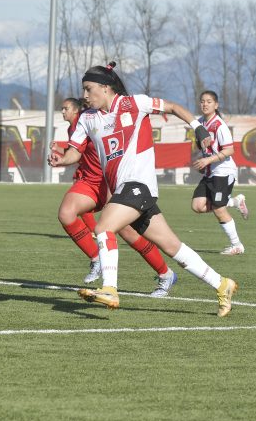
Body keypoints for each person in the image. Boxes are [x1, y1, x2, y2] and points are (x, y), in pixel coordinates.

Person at [49, 62, 239, 317]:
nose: (84, 95)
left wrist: (199, 127)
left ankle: (109, 288)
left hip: (139, 185)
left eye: (88, 88)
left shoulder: (133, 104)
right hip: (125, 190)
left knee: (103, 227)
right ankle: (222, 284)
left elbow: (172, 107)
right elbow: (75, 152)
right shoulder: (88, 119)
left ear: (105, 88)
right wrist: (61, 159)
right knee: (174, 247)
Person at [52, 97, 178, 297]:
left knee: (128, 232)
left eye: (65, 108)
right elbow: (77, 153)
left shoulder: (101, 119)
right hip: (90, 182)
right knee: (67, 213)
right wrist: (61, 157)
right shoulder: (80, 125)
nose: (62, 112)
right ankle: (96, 259)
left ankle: (165, 273)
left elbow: (113, 154)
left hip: (109, 182)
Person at [190, 90, 249, 255]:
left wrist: (208, 160)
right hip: (210, 173)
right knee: (197, 205)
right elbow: (203, 146)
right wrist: (204, 159)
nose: (205, 104)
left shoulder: (219, 125)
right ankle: (234, 202)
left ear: (216, 105)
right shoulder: (200, 123)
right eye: (202, 101)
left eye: (209, 101)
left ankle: (237, 245)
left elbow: (230, 150)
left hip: (223, 172)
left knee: (218, 209)